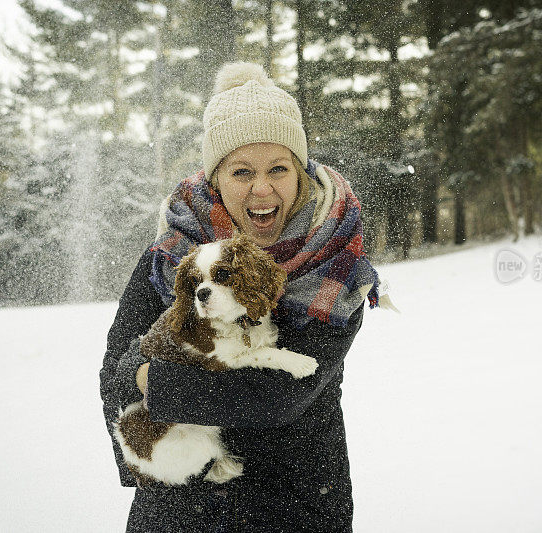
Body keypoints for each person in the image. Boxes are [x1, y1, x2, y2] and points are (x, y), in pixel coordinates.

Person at [99, 62, 380, 532]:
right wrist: (144, 415)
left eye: (278, 168)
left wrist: (150, 379)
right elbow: (113, 374)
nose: (262, 188)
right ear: (216, 179)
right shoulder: (172, 256)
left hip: (295, 505)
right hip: (177, 512)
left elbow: (271, 397)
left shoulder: (336, 263)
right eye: (242, 171)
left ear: (301, 172)